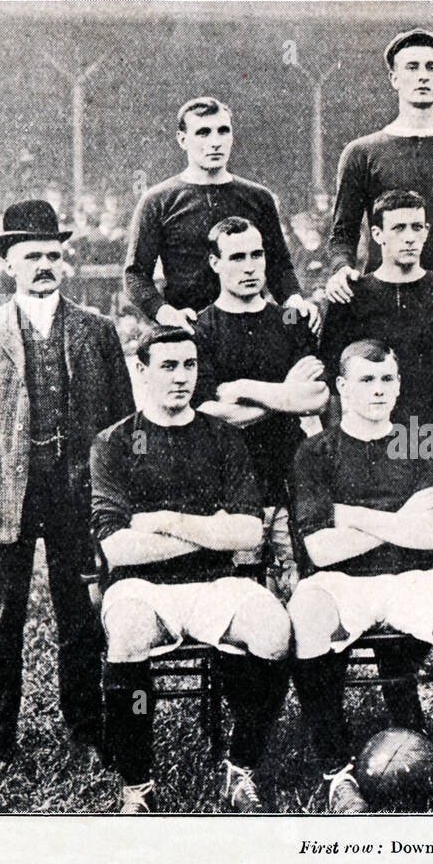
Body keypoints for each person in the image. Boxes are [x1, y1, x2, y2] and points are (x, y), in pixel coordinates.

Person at [0, 200, 135, 777]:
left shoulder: (98, 331)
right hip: (8, 494)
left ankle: (85, 733)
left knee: (81, 618)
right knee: (1, 623)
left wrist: (123, 502)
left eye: (54, 255)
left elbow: (125, 426)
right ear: (9, 264)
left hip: (80, 497)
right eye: (32, 256)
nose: (45, 265)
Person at [288, 339, 433, 813]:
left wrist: (352, 516)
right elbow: (321, 550)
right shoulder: (315, 451)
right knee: (306, 612)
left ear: (400, 384)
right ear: (341, 386)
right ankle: (337, 773)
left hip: (416, 575)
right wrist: (402, 520)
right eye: (366, 379)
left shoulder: (420, 439)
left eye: (387, 379)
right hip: (344, 579)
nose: (379, 390)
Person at [91, 326, 294, 814]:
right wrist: (209, 528)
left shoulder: (222, 438)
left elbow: (248, 533)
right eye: (168, 366)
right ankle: (137, 783)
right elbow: (118, 548)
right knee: (128, 635)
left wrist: (166, 522)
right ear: (140, 370)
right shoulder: (115, 443)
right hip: (140, 587)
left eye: (189, 365)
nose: (182, 378)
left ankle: (240, 768)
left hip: (217, 582)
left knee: (274, 630)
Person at [191, 216, 330, 598]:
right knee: (241, 596)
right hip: (230, 483)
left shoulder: (289, 318)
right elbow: (213, 412)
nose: (250, 266)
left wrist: (245, 388)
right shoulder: (201, 329)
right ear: (215, 263)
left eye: (257, 254)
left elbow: (316, 397)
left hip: (290, 476)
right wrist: (287, 394)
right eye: (237, 257)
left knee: (301, 588)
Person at [325, 30, 433, 306]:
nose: (422, 75)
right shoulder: (361, 152)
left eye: (431, 67)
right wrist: (341, 268)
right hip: (383, 299)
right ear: (394, 78)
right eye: (412, 67)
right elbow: (342, 232)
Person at [124, 96, 318, 333]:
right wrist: (165, 313)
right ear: (182, 139)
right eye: (203, 133)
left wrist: (294, 301)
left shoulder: (259, 197)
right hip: (189, 329)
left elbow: (279, 266)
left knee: (301, 326)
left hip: (251, 328)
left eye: (223, 131)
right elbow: (135, 275)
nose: (215, 142)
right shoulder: (158, 200)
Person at [321, 189, 433, 433]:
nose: (410, 237)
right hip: (369, 441)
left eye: (417, 227)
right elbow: (332, 380)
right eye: (398, 228)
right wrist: (336, 448)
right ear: (377, 234)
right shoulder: (352, 293)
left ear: (426, 232)